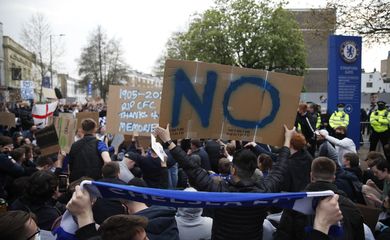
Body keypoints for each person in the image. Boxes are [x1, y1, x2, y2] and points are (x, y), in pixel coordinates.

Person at [155, 124, 294, 240]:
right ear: (254, 170)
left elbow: (192, 168)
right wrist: (287, 140)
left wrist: (169, 141)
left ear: (233, 170)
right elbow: (280, 169)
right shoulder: (265, 191)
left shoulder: (219, 191)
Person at [275, 157, 364, 240]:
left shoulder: (294, 204)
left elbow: (282, 236)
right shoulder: (351, 207)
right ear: (333, 178)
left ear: (311, 176)